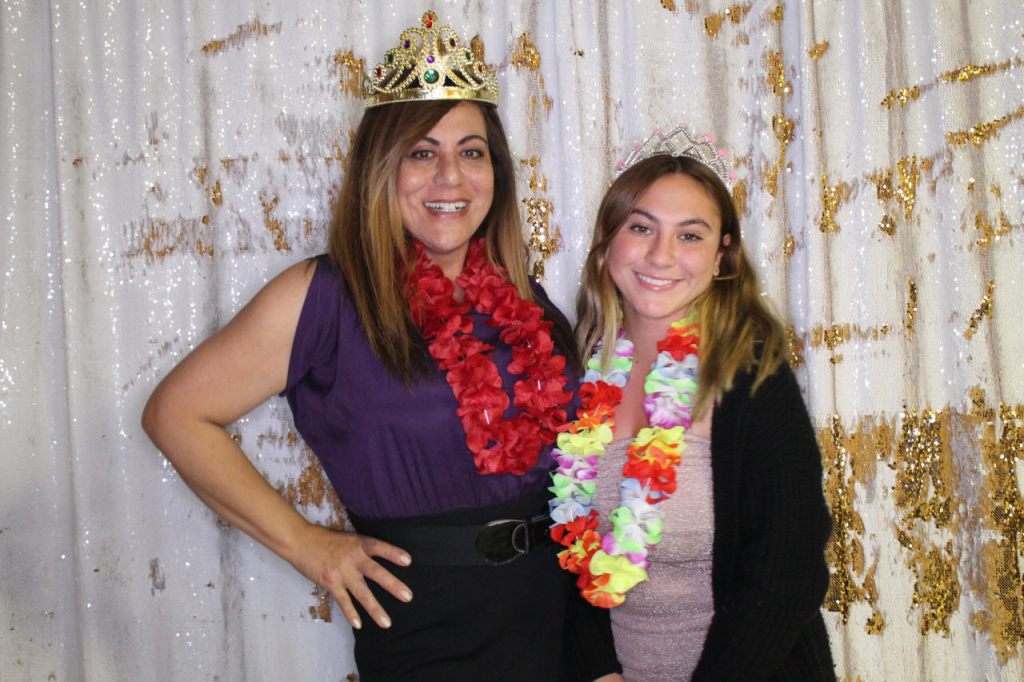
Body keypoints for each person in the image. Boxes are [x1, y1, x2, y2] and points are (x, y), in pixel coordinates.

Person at [142, 11, 619, 681]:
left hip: (556, 623)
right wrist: (309, 546)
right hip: (427, 635)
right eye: (421, 153)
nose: (450, 176)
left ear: (496, 172)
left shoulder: (525, 301)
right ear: (381, 168)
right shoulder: (324, 298)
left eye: (471, 152)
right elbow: (175, 415)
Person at [548, 127, 835, 680]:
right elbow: (565, 548)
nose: (661, 256)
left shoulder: (750, 371)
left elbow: (790, 564)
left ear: (723, 255)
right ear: (608, 242)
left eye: (690, 235)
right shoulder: (580, 366)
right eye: (641, 228)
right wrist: (598, 669)